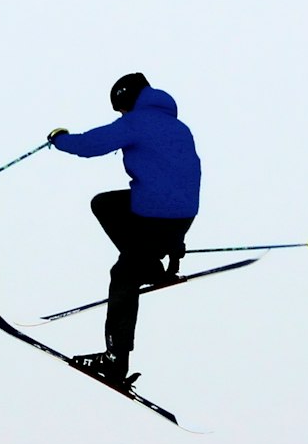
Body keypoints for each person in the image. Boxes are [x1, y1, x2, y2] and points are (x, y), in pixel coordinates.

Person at [48, 73, 202, 387]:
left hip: (153, 215)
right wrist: (176, 244)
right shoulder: (179, 127)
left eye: (120, 110)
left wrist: (59, 138)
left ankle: (115, 359)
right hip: (182, 216)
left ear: (126, 101)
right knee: (106, 203)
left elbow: (91, 145)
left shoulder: (137, 122)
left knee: (124, 275)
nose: (121, 116)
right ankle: (153, 265)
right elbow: (181, 179)